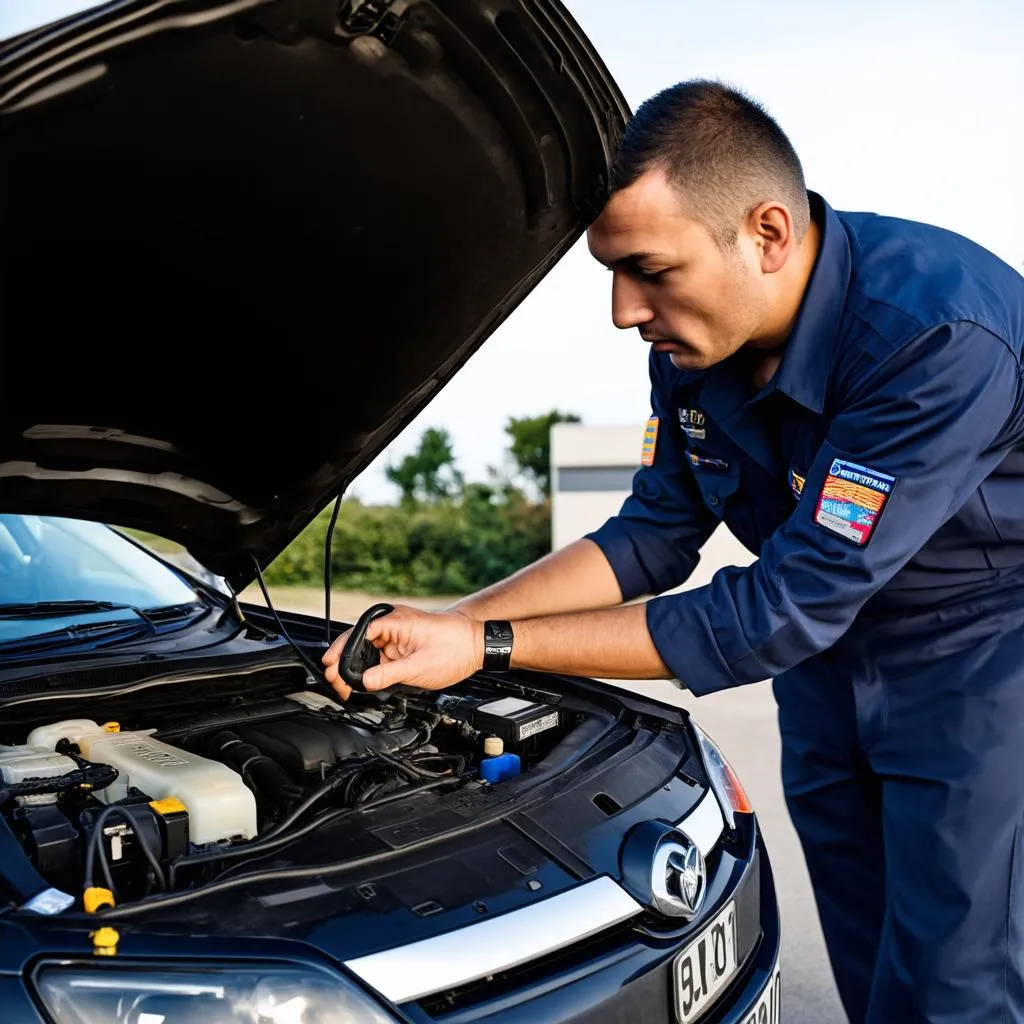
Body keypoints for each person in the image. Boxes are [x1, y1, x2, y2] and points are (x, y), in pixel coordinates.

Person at [323, 80, 1024, 1023]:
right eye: (611, 273)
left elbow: (776, 607)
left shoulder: (935, 334)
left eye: (649, 269)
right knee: (866, 959)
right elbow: (651, 534)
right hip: (826, 674)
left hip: (978, 666)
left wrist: (490, 654)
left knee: (956, 987)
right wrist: (454, 623)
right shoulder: (692, 354)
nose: (623, 310)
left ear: (767, 233)